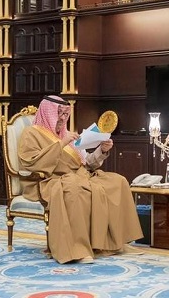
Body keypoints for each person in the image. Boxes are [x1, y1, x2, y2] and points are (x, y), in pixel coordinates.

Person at [18, 95, 143, 264]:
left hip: (79, 175)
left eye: (65, 115)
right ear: (47, 114)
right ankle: (78, 249)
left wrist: (101, 150)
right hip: (50, 180)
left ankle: (116, 243)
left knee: (118, 182)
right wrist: (61, 144)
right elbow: (31, 163)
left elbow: (87, 163)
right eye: (59, 114)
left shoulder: (67, 135)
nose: (63, 119)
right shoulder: (31, 133)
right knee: (75, 190)